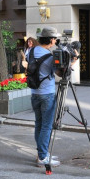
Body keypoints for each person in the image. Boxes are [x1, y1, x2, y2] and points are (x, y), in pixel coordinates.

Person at [30, 27, 61, 168]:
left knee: (39, 124)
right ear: (50, 40)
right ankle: (43, 157)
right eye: (54, 38)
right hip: (46, 94)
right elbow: (61, 73)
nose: (55, 41)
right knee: (46, 127)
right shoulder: (49, 56)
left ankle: (41, 153)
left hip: (34, 93)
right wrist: (71, 61)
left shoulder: (32, 51)